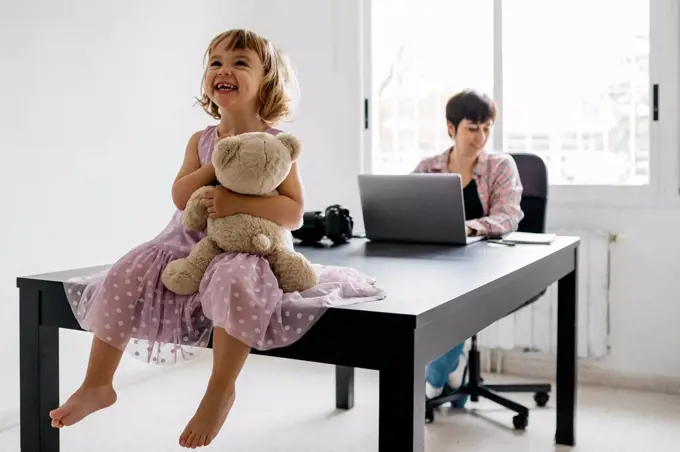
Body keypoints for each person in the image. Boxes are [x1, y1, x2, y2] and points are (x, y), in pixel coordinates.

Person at [54, 29, 385, 448]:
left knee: (233, 279)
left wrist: (233, 203)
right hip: (186, 242)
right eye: (216, 62)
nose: (224, 70)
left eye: (240, 62)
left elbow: (294, 212)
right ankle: (98, 383)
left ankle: (220, 389)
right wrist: (215, 166)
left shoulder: (277, 143)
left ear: (266, 79)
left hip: (250, 248)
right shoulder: (201, 140)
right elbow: (179, 196)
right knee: (128, 269)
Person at [411, 89, 523, 401]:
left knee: (456, 301)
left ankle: (434, 379)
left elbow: (509, 216)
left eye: (487, 128)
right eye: (472, 128)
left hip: (484, 265)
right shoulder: (428, 168)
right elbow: (407, 207)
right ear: (451, 128)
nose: (481, 138)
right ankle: (450, 372)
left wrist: (470, 228)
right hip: (437, 262)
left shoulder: (500, 166)